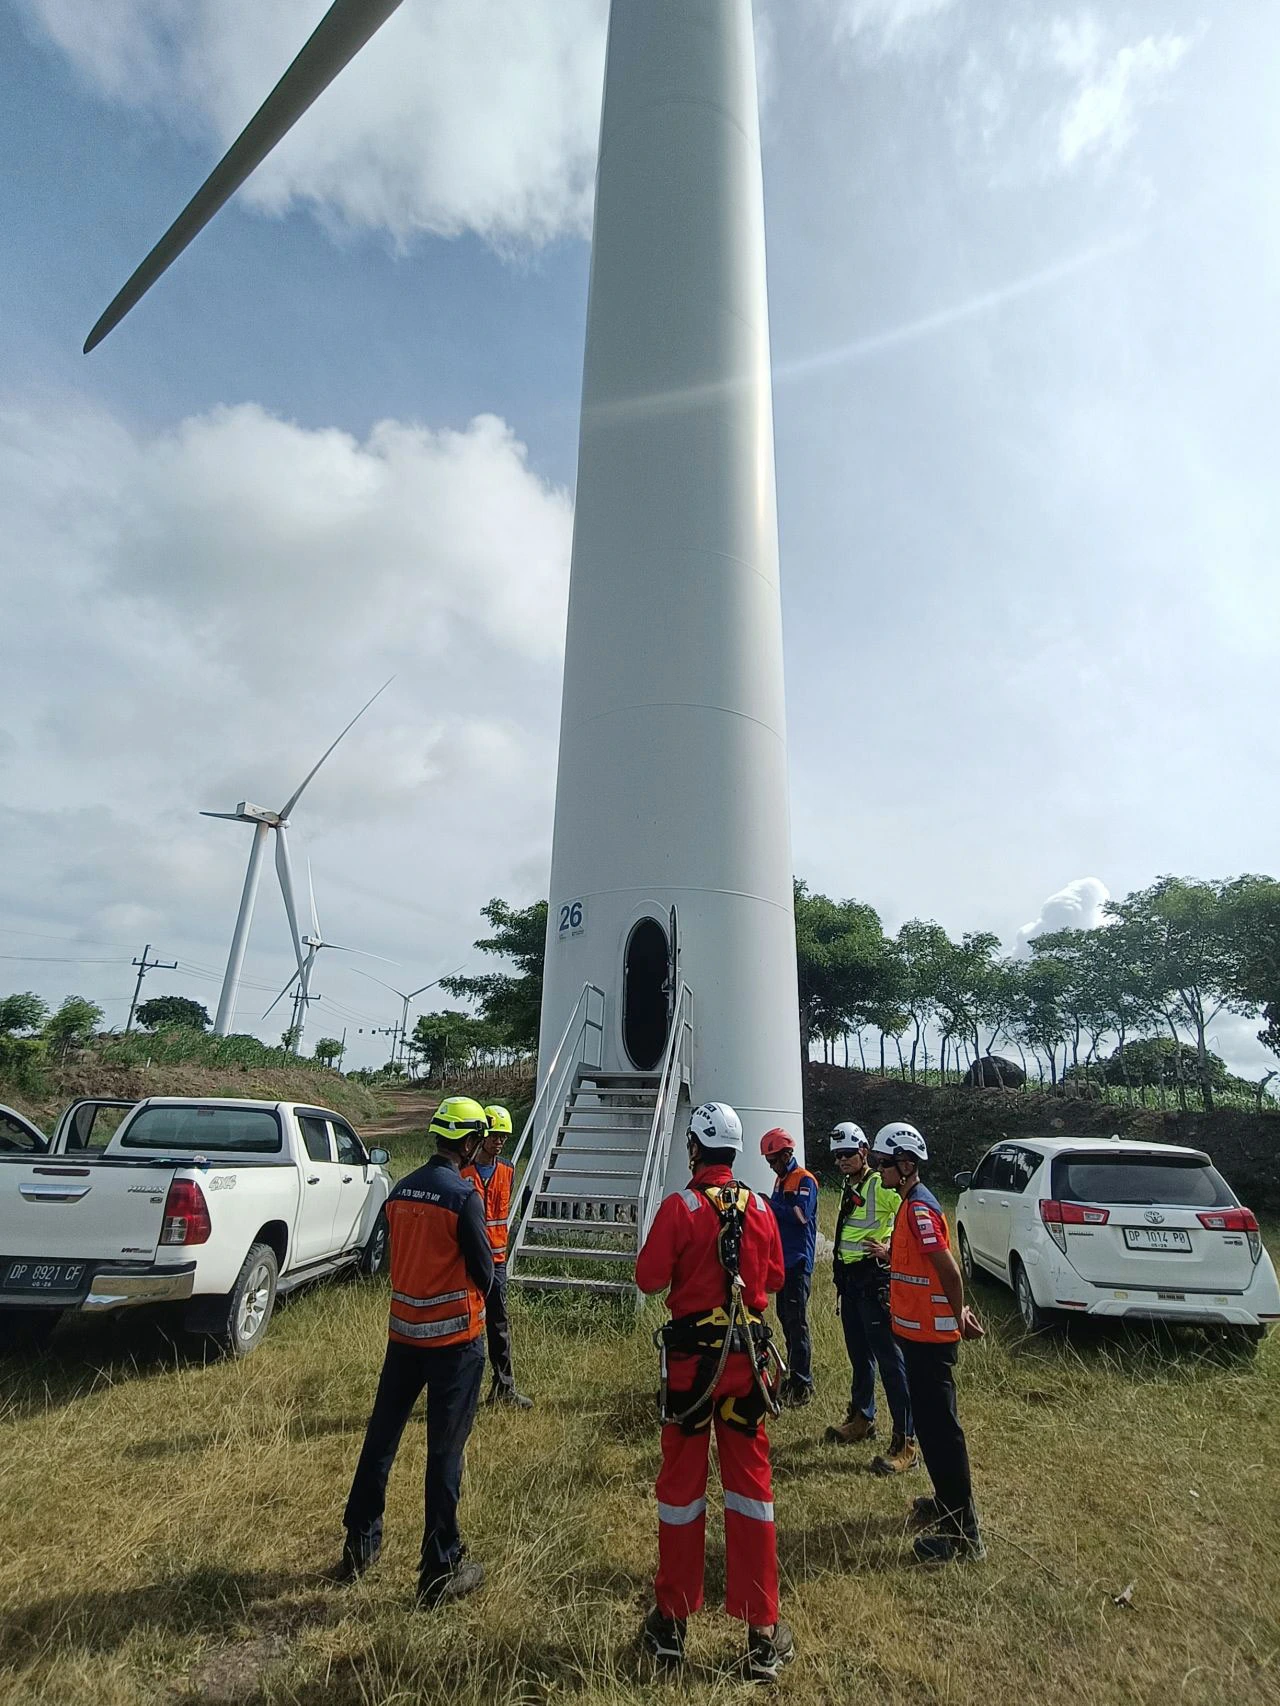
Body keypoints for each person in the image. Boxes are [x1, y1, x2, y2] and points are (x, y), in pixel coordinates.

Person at [636, 1101, 795, 1683]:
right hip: (747, 1365)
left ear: (697, 1150)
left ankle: (672, 1624)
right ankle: (761, 1635)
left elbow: (648, 1278)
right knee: (752, 1492)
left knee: (681, 1489)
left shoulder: (679, 1207)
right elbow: (774, 1279)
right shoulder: (759, 1206)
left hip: (691, 1369)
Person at [335, 1095, 494, 1605]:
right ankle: (440, 1568)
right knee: (445, 1455)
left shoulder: (401, 1190)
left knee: (381, 1440)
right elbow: (486, 1274)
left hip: (403, 1338)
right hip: (455, 1344)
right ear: (468, 1142)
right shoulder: (463, 1196)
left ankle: (359, 1545)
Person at [872, 1121, 986, 1563]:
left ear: (905, 1164)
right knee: (935, 1429)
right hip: (916, 1336)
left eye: (883, 1164)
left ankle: (964, 1537)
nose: (879, 1171)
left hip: (931, 1340)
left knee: (941, 1435)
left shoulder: (919, 1209)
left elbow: (950, 1271)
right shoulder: (909, 1205)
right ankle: (946, 1504)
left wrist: (957, 1315)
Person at [823, 1122, 917, 1477]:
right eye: (837, 1156)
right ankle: (863, 1417)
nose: (842, 1161)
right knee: (859, 1356)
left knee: (891, 1362)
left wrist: (892, 1249)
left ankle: (906, 1439)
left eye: (847, 1153)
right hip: (851, 1283)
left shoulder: (880, 1182)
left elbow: (907, 1210)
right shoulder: (852, 1185)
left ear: (864, 1151)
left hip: (873, 1281)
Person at [461, 1103, 532, 1409]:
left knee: (499, 1326)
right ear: (482, 1135)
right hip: (468, 1263)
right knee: (467, 1326)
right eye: (495, 1135)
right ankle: (464, 1391)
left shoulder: (508, 1170)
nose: (500, 1141)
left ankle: (504, 1388)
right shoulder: (463, 1172)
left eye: (505, 1136)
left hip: (497, 1263)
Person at [760, 1126, 818, 1407]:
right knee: (786, 1321)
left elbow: (800, 1215)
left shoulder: (804, 1181)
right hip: (783, 1262)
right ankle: (793, 1378)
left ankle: (802, 1385)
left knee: (797, 1324)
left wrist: (770, 1206)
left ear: (786, 1155)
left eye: (773, 1161)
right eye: (768, 1162)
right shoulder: (780, 1181)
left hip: (798, 1262)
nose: (771, 1166)